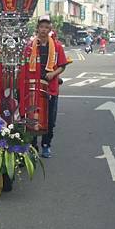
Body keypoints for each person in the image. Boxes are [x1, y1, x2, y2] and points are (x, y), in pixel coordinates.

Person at [25, 15, 69, 158]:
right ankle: (33, 146)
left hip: (51, 88)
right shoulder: (30, 46)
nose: (43, 30)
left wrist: (53, 74)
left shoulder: (57, 47)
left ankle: (46, 145)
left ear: (50, 30)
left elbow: (62, 66)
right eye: (41, 27)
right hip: (33, 87)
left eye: (46, 28)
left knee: (50, 120)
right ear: (37, 29)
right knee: (32, 117)